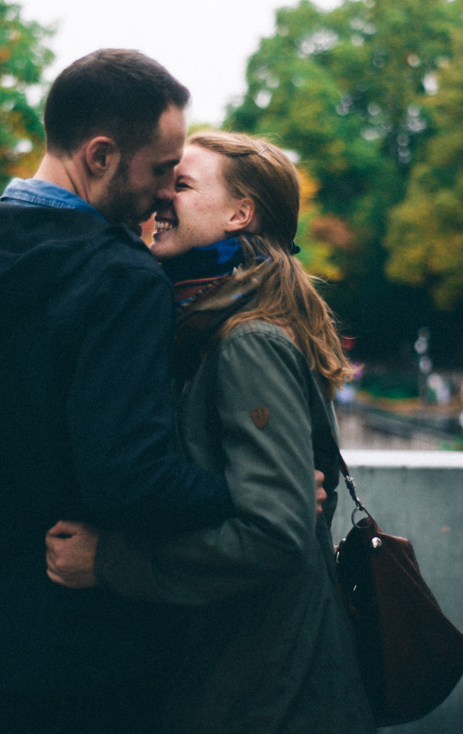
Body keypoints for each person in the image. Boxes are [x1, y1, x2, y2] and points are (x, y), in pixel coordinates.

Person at [0, 50, 236, 734]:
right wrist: (241, 489)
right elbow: (129, 480)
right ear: (99, 155)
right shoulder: (120, 279)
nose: (166, 191)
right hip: (95, 642)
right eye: (158, 169)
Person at [46, 130, 376, 733]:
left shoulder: (246, 340)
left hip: (268, 691)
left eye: (183, 184)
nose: (161, 197)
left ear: (239, 214)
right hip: (248, 676)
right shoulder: (204, 323)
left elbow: (275, 533)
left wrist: (111, 561)